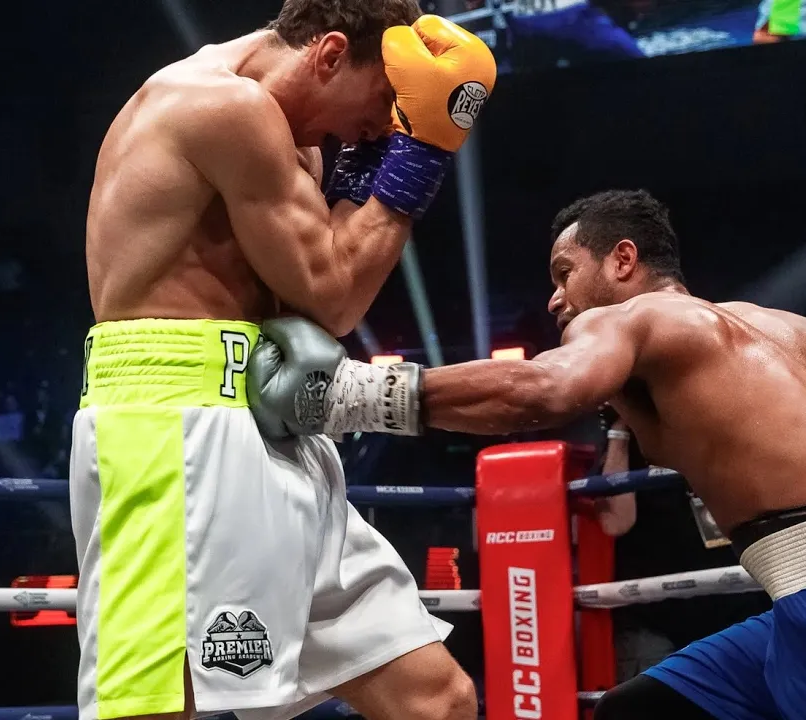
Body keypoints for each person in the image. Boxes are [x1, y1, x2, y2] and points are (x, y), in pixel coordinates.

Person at [249, 189, 806, 719]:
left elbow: (540, 392)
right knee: (642, 709)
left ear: (623, 260)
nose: (555, 299)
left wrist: (350, 394)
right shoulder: (789, 327)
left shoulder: (633, 321)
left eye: (565, 274)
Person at [73, 0, 495, 718]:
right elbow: (337, 295)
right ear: (329, 54)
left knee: (437, 700)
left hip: (274, 424)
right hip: (174, 426)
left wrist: (368, 163)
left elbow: (312, 302)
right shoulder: (221, 107)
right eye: (383, 103)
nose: (384, 126)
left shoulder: (297, 141)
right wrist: (419, 156)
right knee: (155, 708)